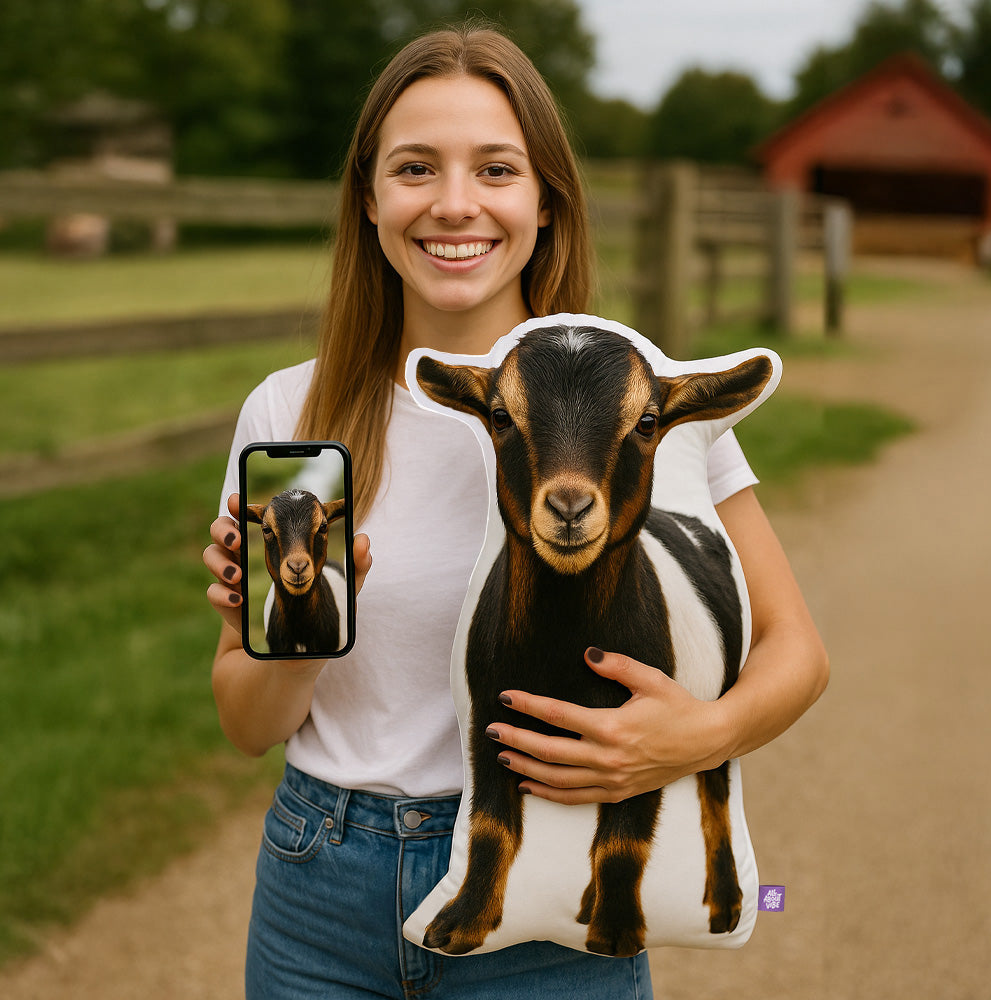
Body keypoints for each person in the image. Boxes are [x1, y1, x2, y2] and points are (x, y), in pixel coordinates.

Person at [203, 23, 828, 1000]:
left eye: (495, 169)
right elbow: (248, 724)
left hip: (554, 883)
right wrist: (304, 629)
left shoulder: (643, 404)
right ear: (369, 199)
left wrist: (692, 738)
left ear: (546, 201)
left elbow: (797, 651)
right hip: (319, 888)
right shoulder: (295, 414)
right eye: (415, 168)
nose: (454, 203)